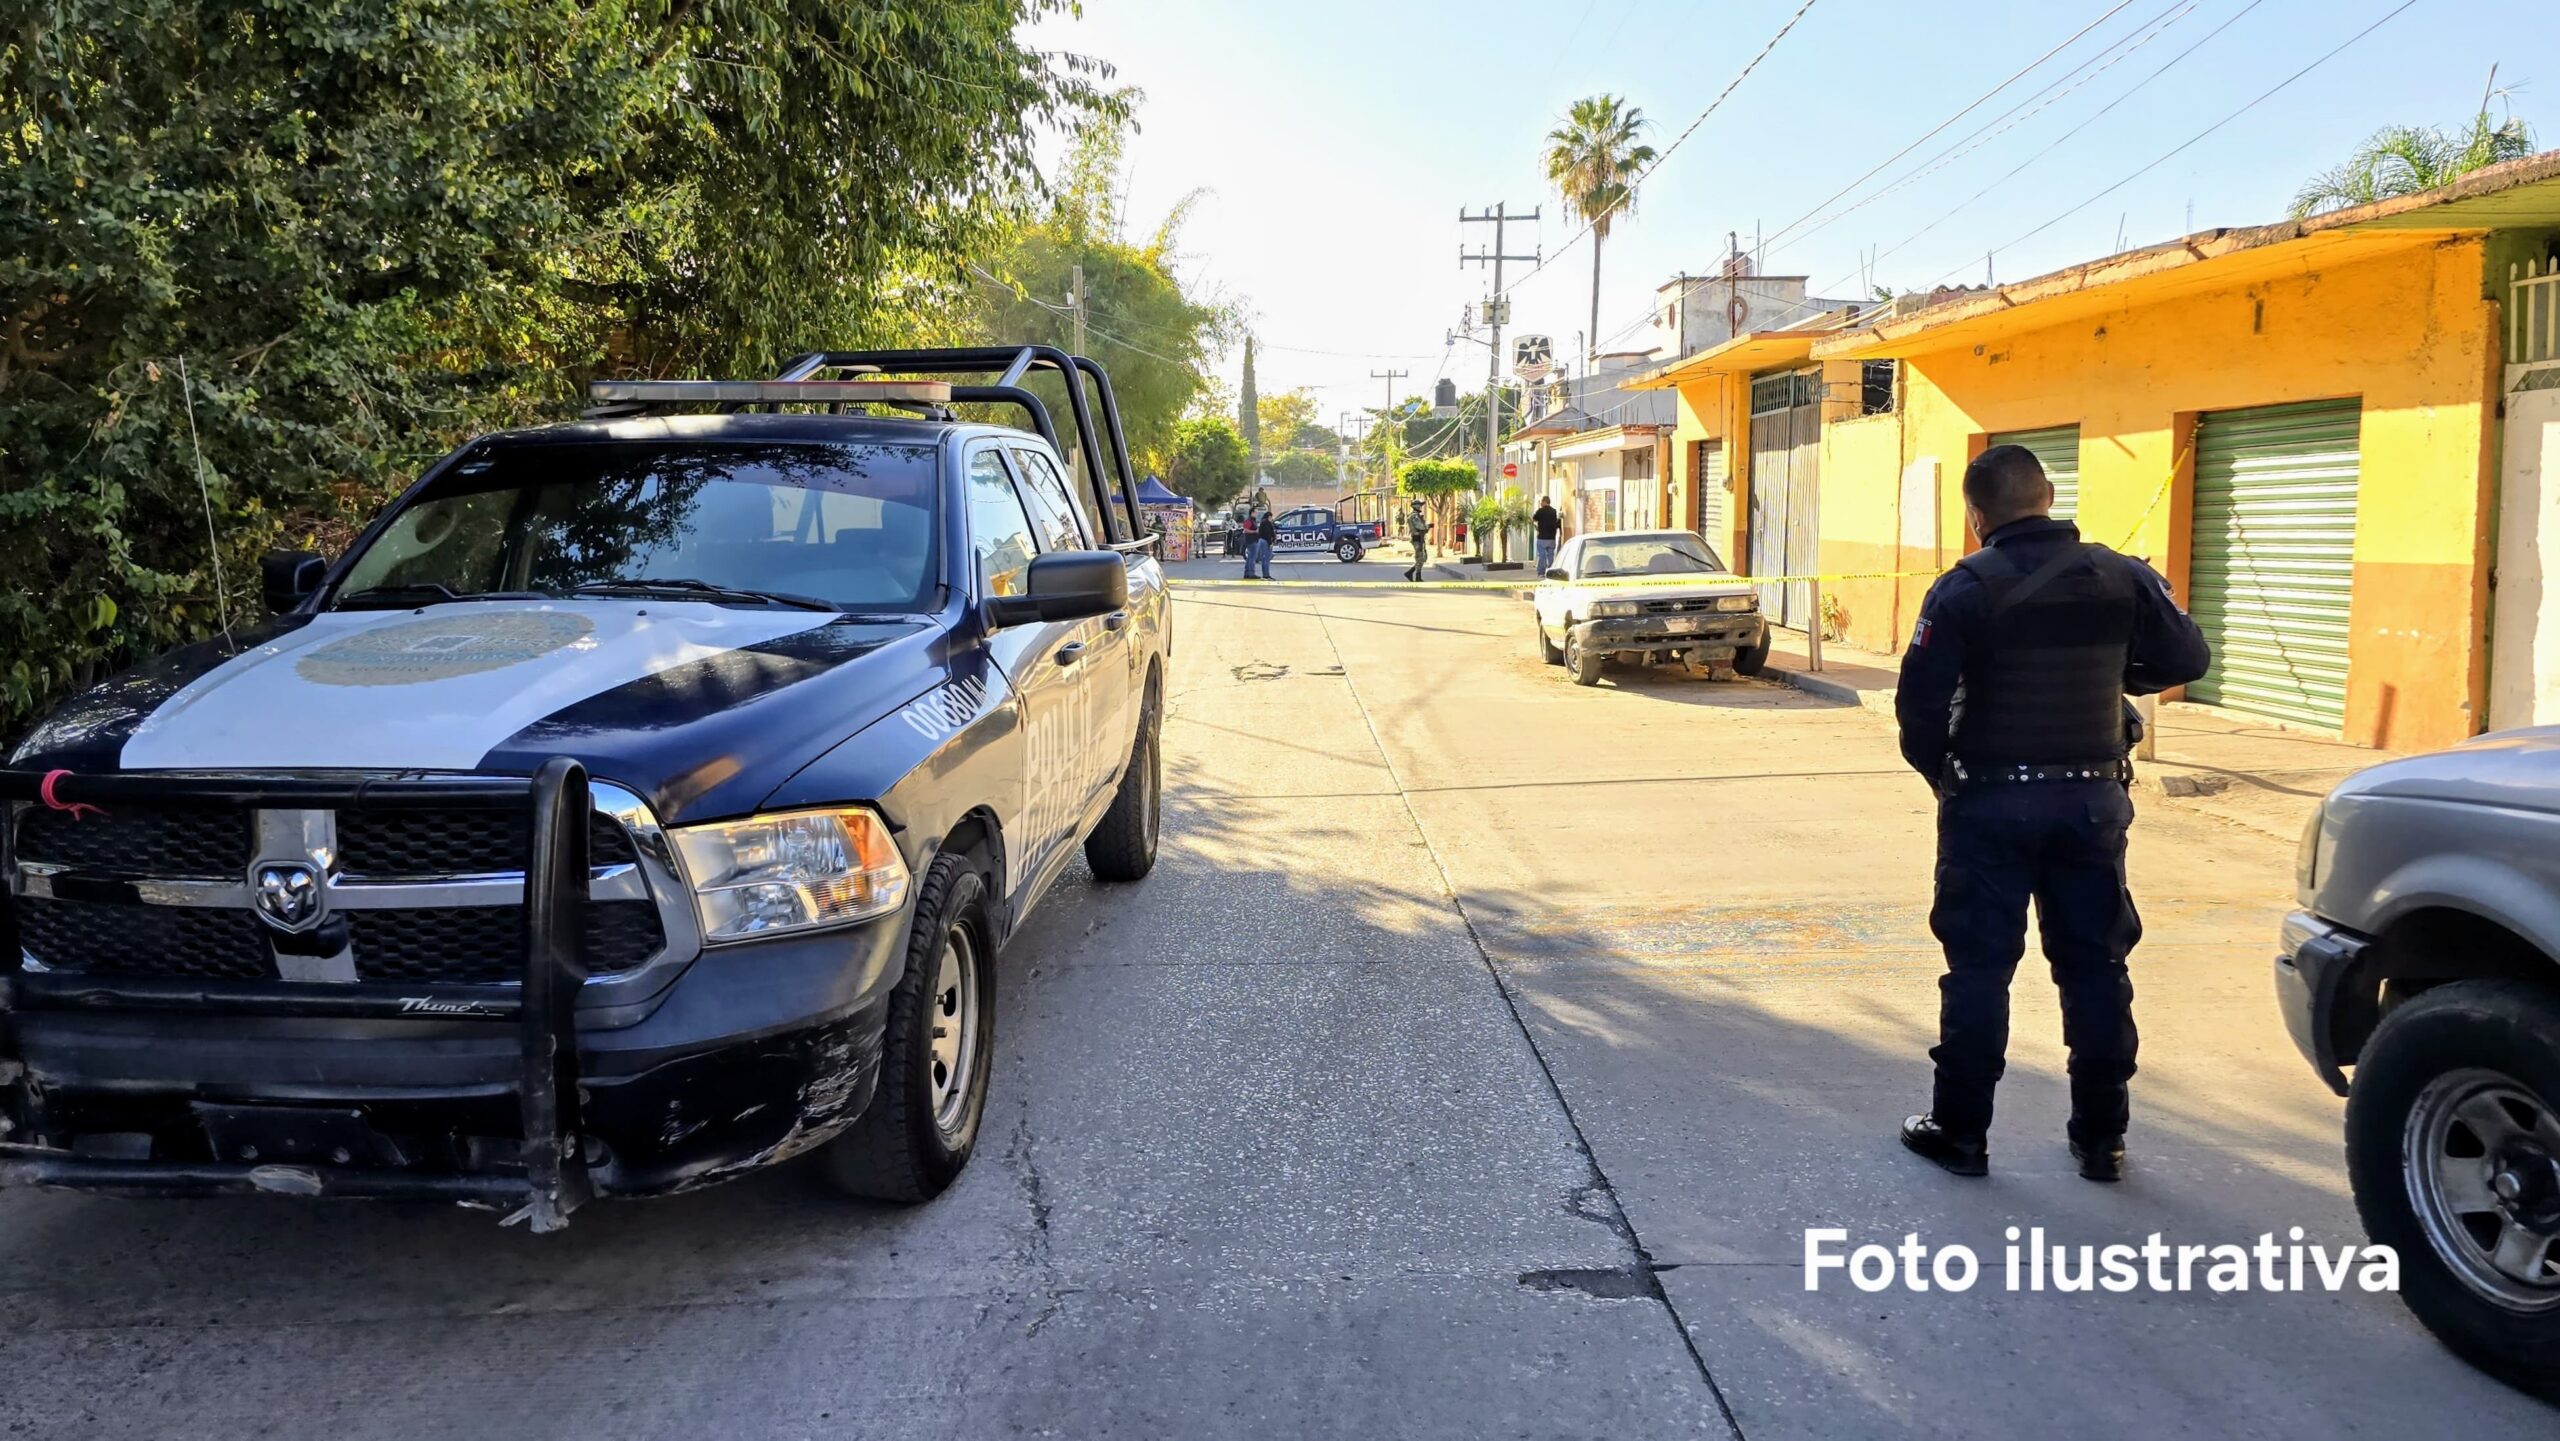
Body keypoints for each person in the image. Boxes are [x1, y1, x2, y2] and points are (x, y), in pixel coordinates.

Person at [1892, 444, 2209, 1184]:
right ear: (2050, 495)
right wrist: (2123, 671)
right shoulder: (2121, 575)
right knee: (2096, 966)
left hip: (1990, 804)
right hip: (2091, 800)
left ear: (1976, 516)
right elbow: (2186, 658)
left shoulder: (1961, 589)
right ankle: (2103, 1138)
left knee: (1978, 970)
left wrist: (1947, 778)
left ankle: (1961, 1131)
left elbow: (1918, 710)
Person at [1532, 496, 1563, 576]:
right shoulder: (1554, 511)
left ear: (1544, 502)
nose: (1541, 503)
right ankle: (1550, 573)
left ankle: (1541, 572)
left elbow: (1534, 518)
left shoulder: (1540, 511)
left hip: (1542, 538)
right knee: (1550, 556)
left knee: (1542, 556)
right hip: (1551, 538)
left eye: (1541, 502)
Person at [1403, 500, 1430, 583]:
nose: (1421, 507)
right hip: (1417, 538)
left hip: (1419, 538)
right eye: (1420, 505)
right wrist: (1428, 526)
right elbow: (1420, 526)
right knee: (1420, 557)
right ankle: (1411, 573)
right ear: (1416, 506)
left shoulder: (1416, 515)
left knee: (1422, 557)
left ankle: (1415, 575)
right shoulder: (1414, 516)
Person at [1250, 508, 1277, 580]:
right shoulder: (1266, 523)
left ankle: (1266, 574)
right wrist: (1270, 543)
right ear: (1269, 517)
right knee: (1265, 559)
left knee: (1266, 559)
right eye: (1271, 517)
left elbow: (1271, 533)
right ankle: (1266, 575)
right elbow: (1267, 534)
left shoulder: (1266, 523)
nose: (1272, 519)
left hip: (1265, 541)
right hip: (1265, 542)